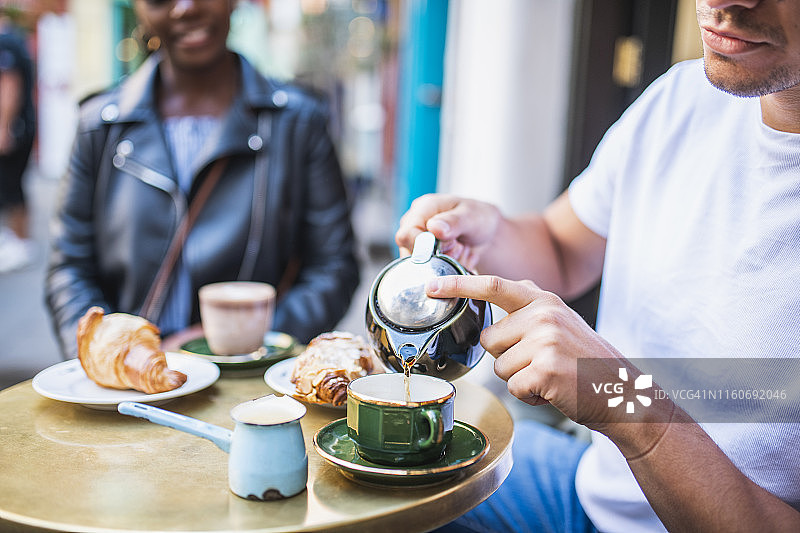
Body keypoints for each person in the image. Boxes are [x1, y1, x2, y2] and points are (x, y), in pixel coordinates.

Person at [396, 0, 800, 531]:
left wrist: (619, 398)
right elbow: (562, 250)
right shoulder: (680, 98)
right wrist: (493, 233)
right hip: (590, 489)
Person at [46, 0, 359, 359]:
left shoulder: (298, 123)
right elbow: (69, 269)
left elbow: (333, 268)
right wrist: (113, 358)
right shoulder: (100, 126)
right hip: (129, 383)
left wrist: (246, 341)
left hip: (252, 380)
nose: (185, 8)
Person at [0, 9, 35, 273]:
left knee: (10, 186)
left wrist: (3, 128)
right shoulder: (15, 39)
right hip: (19, 126)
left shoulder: (7, 42)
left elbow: (10, 87)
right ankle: (18, 242)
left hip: (14, 128)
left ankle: (20, 244)